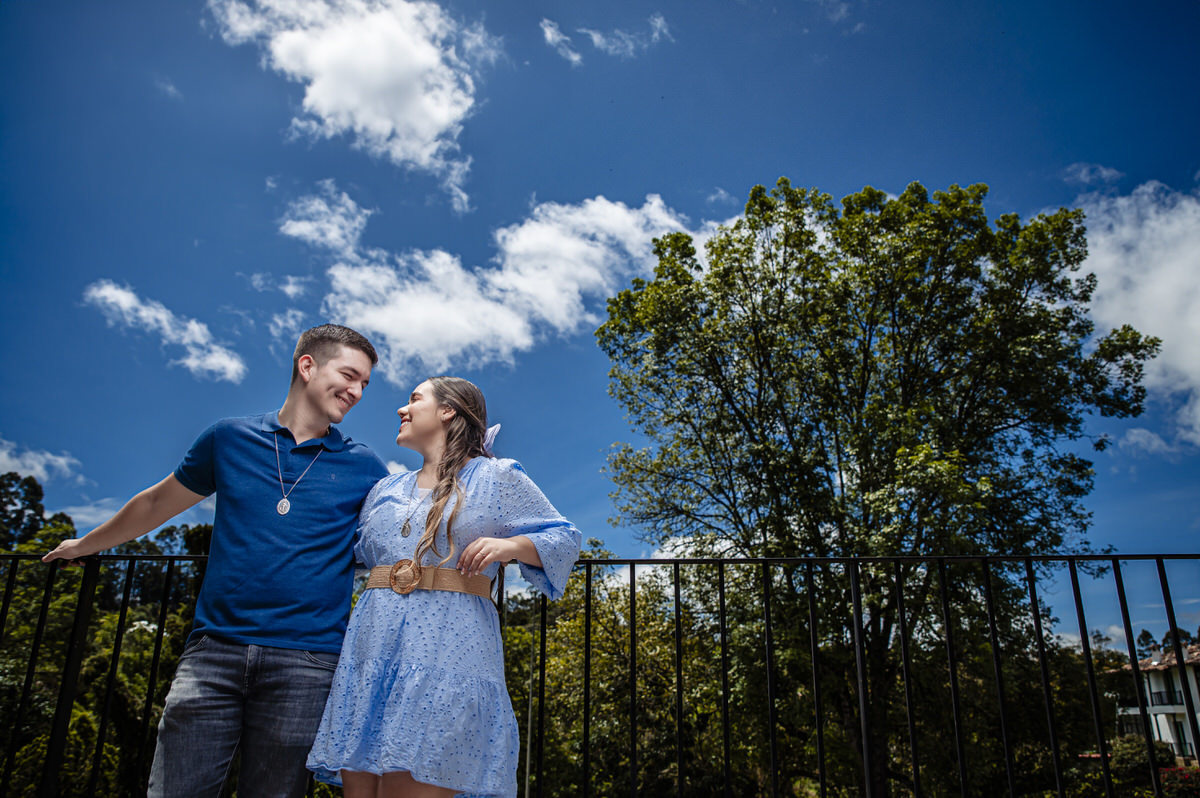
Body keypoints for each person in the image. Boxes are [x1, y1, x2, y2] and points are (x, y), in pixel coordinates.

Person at [43, 323, 390, 798]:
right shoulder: (228, 439)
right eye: (350, 375)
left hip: (308, 663)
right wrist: (87, 545)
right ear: (307, 366)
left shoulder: (365, 467)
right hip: (212, 655)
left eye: (365, 384)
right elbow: (153, 504)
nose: (357, 391)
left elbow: (401, 533)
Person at [306, 376, 582, 798]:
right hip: (372, 653)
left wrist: (509, 545)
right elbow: (344, 552)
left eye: (414, 399)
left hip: (446, 654)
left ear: (448, 411)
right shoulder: (384, 489)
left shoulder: (495, 476)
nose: (402, 409)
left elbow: (564, 539)